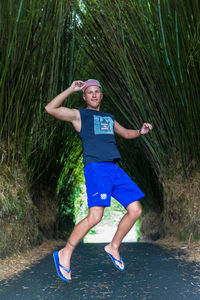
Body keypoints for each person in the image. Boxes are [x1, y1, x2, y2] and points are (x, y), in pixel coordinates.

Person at [45, 79, 152, 281]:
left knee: (136, 210)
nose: (94, 95)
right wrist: (70, 89)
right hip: (96, 169)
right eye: (90, 92)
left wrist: (140, 132)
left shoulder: (108, 118)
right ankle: (65, 252)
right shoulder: (79, 115)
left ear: (101, 95)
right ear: (84, 96)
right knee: (95, 217)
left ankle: (113, 246)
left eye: (97, 92)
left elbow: (125, 133)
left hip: (114, 169)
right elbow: (50, 108)